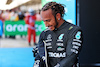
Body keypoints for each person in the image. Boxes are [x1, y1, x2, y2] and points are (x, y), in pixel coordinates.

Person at [33, 2, 83, 67]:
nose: (46, 25)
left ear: (58, 16)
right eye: (44, 21)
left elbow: (71, 57)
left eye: (48, 20)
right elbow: (39, 57)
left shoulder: (74, 31)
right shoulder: (44, 33)